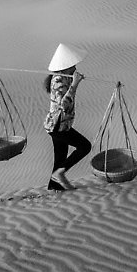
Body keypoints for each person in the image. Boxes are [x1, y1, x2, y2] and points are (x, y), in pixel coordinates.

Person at [43, 43, 92, 191]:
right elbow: (63, 105)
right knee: (85, 146)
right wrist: (75, 84)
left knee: (60, 159)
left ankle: (54, 188)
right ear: (65, 66)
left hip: (60, 125)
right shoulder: (58, 81)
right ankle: (60, 173)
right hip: (57, 125)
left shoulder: (65, 78)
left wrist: (74, 81)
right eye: (73, 65)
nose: (75, 68)